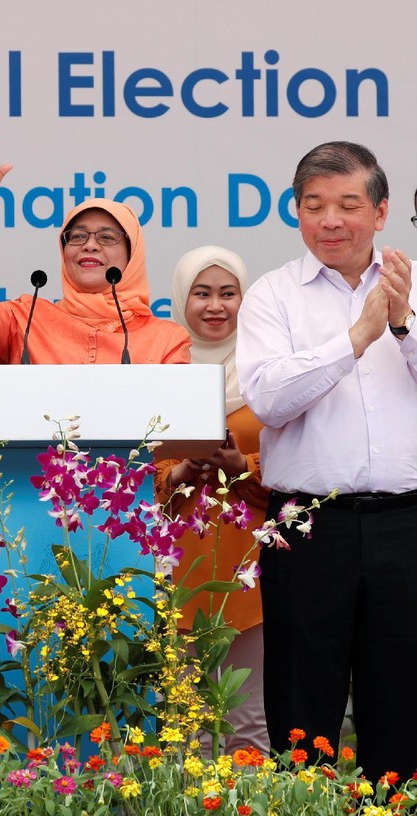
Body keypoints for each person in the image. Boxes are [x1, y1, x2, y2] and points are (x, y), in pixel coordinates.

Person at [236, 140, 417, 783]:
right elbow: (268, 399)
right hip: (306, 526)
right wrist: (356, 339)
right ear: (296, 212)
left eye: (347, 204)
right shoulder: (272, 296)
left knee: (401, 697)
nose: (330, 220)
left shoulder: (413, 284)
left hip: (406, 523)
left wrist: (401, 327)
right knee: (301, 699)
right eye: (313, 206)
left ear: (381, 210)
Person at [0, 133, 191, 365]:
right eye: (77, 236)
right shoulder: (25, 322)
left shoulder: (168, 341)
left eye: (107, 237)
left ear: (131, 255)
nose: (89, 245)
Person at [154, 246, 269, 755]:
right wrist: (181, 470)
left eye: (228, 293)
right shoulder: (164, 369)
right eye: (201, 293)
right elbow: (140, 475)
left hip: (250, 571)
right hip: (177, 569)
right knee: (183, 728)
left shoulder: (269, 371)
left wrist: (240, 467)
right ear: (181, 299)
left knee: (247, 721)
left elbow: (294, 471)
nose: (215, 306)